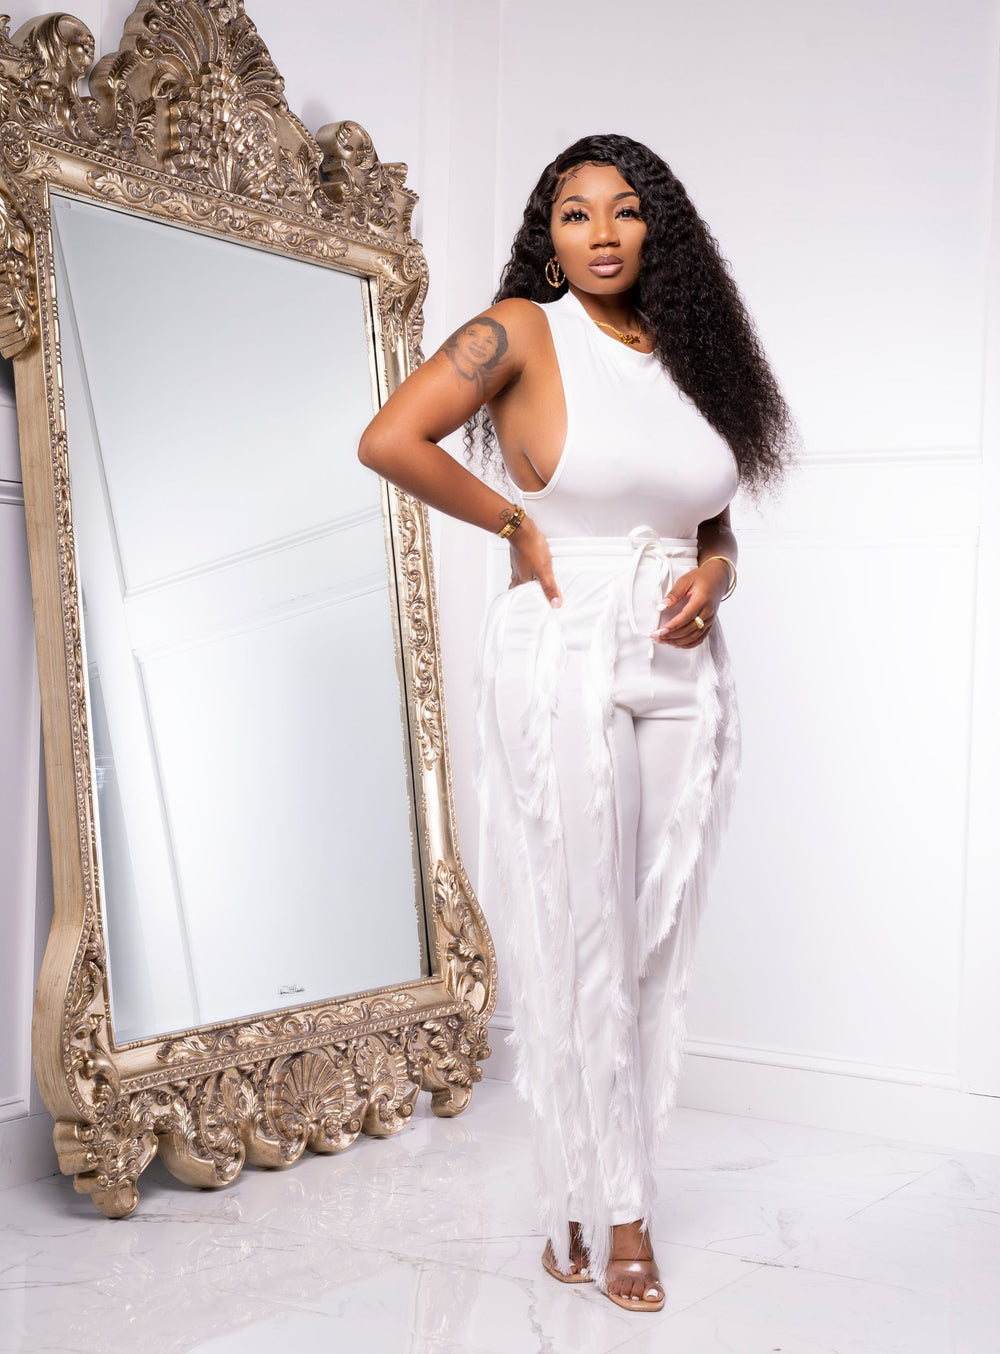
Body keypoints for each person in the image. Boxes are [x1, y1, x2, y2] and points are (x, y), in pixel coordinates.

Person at [358, 133, 793, 1313]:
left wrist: (721, 572)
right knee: (586, 925)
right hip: (563, 638)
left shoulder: (692, 353)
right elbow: (390, 437)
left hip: (682, 656)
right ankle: (620, 1217)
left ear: (660, 230)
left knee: (653, 939)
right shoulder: (521, 328)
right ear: (547, 237)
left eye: (625, 210)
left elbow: (707, 511)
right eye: (574, 213)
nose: (601, 233)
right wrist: (514, 523)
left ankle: (578, 1195)